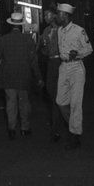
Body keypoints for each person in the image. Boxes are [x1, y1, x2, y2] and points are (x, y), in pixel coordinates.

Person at [0, 11, 42, 139]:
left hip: (7, 76)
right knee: (24, 102)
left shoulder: (2, 40)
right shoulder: (28, 40)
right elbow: (33, 61)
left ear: (11, 25)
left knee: (10, 102)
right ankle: (25, 128)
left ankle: (11, 128)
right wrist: (38, 77)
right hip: (24, 76)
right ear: (20, 25)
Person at [55, 3, 93, 149]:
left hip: (76, 67)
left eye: (59, 14)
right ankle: (74, 126)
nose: (57, 16)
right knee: (61, 101)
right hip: (63, 66)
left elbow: (89, 49)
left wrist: (78, 53)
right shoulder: (59, 30)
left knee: (76, 103)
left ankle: (75, 135)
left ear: (65, 15)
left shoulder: (79, 30)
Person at [37, 7, 62, 140]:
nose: (45, 17)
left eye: (47, 14)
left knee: (60, 97)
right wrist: (43, 47)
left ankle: (57, 127)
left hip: (61, 63)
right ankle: (55, 124)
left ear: (54, 16)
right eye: (44, 15)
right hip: (51, 65)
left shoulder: (62, 30)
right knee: (52, 96)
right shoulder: (46, 31)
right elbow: (43, 52)